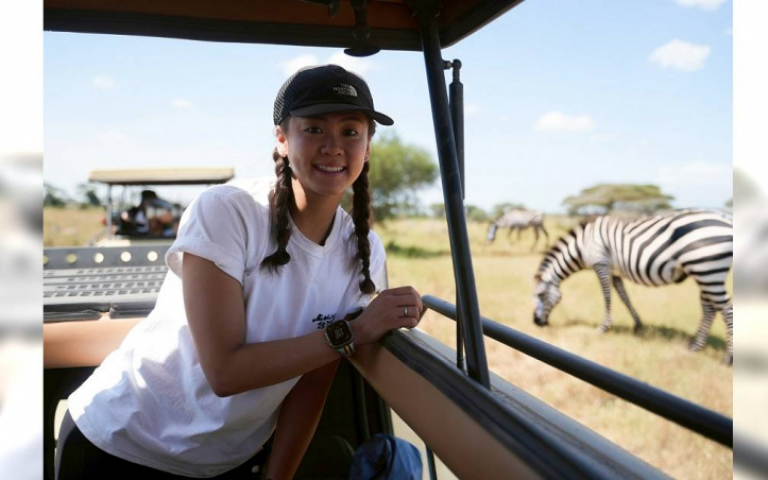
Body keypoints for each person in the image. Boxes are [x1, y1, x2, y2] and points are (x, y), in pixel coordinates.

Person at [55, 64, 424, 479]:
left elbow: (313, 379)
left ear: (368, 146)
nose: (334, 146)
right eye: (315, 129)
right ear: (282, 139)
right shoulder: (228, 212)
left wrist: (277, 475)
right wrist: (355, 332)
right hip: (124, 443)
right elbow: (225, 372)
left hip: (227, 460)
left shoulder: (364, 250)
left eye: (351, 131)